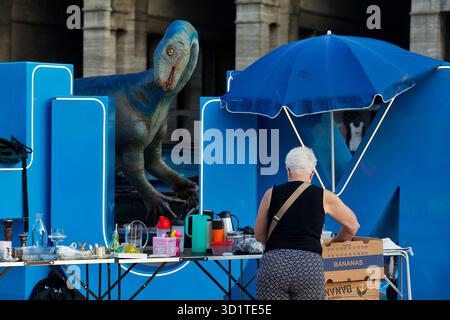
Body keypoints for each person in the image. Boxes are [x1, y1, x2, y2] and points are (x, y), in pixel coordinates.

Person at [254, 146, 360, 300]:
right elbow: (353, 225)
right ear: (312, 173)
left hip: (274, 265)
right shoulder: (325, 196)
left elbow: (259, 235)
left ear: (288, 171)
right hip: (309, 267)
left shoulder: (270, 194)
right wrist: (333, 243)